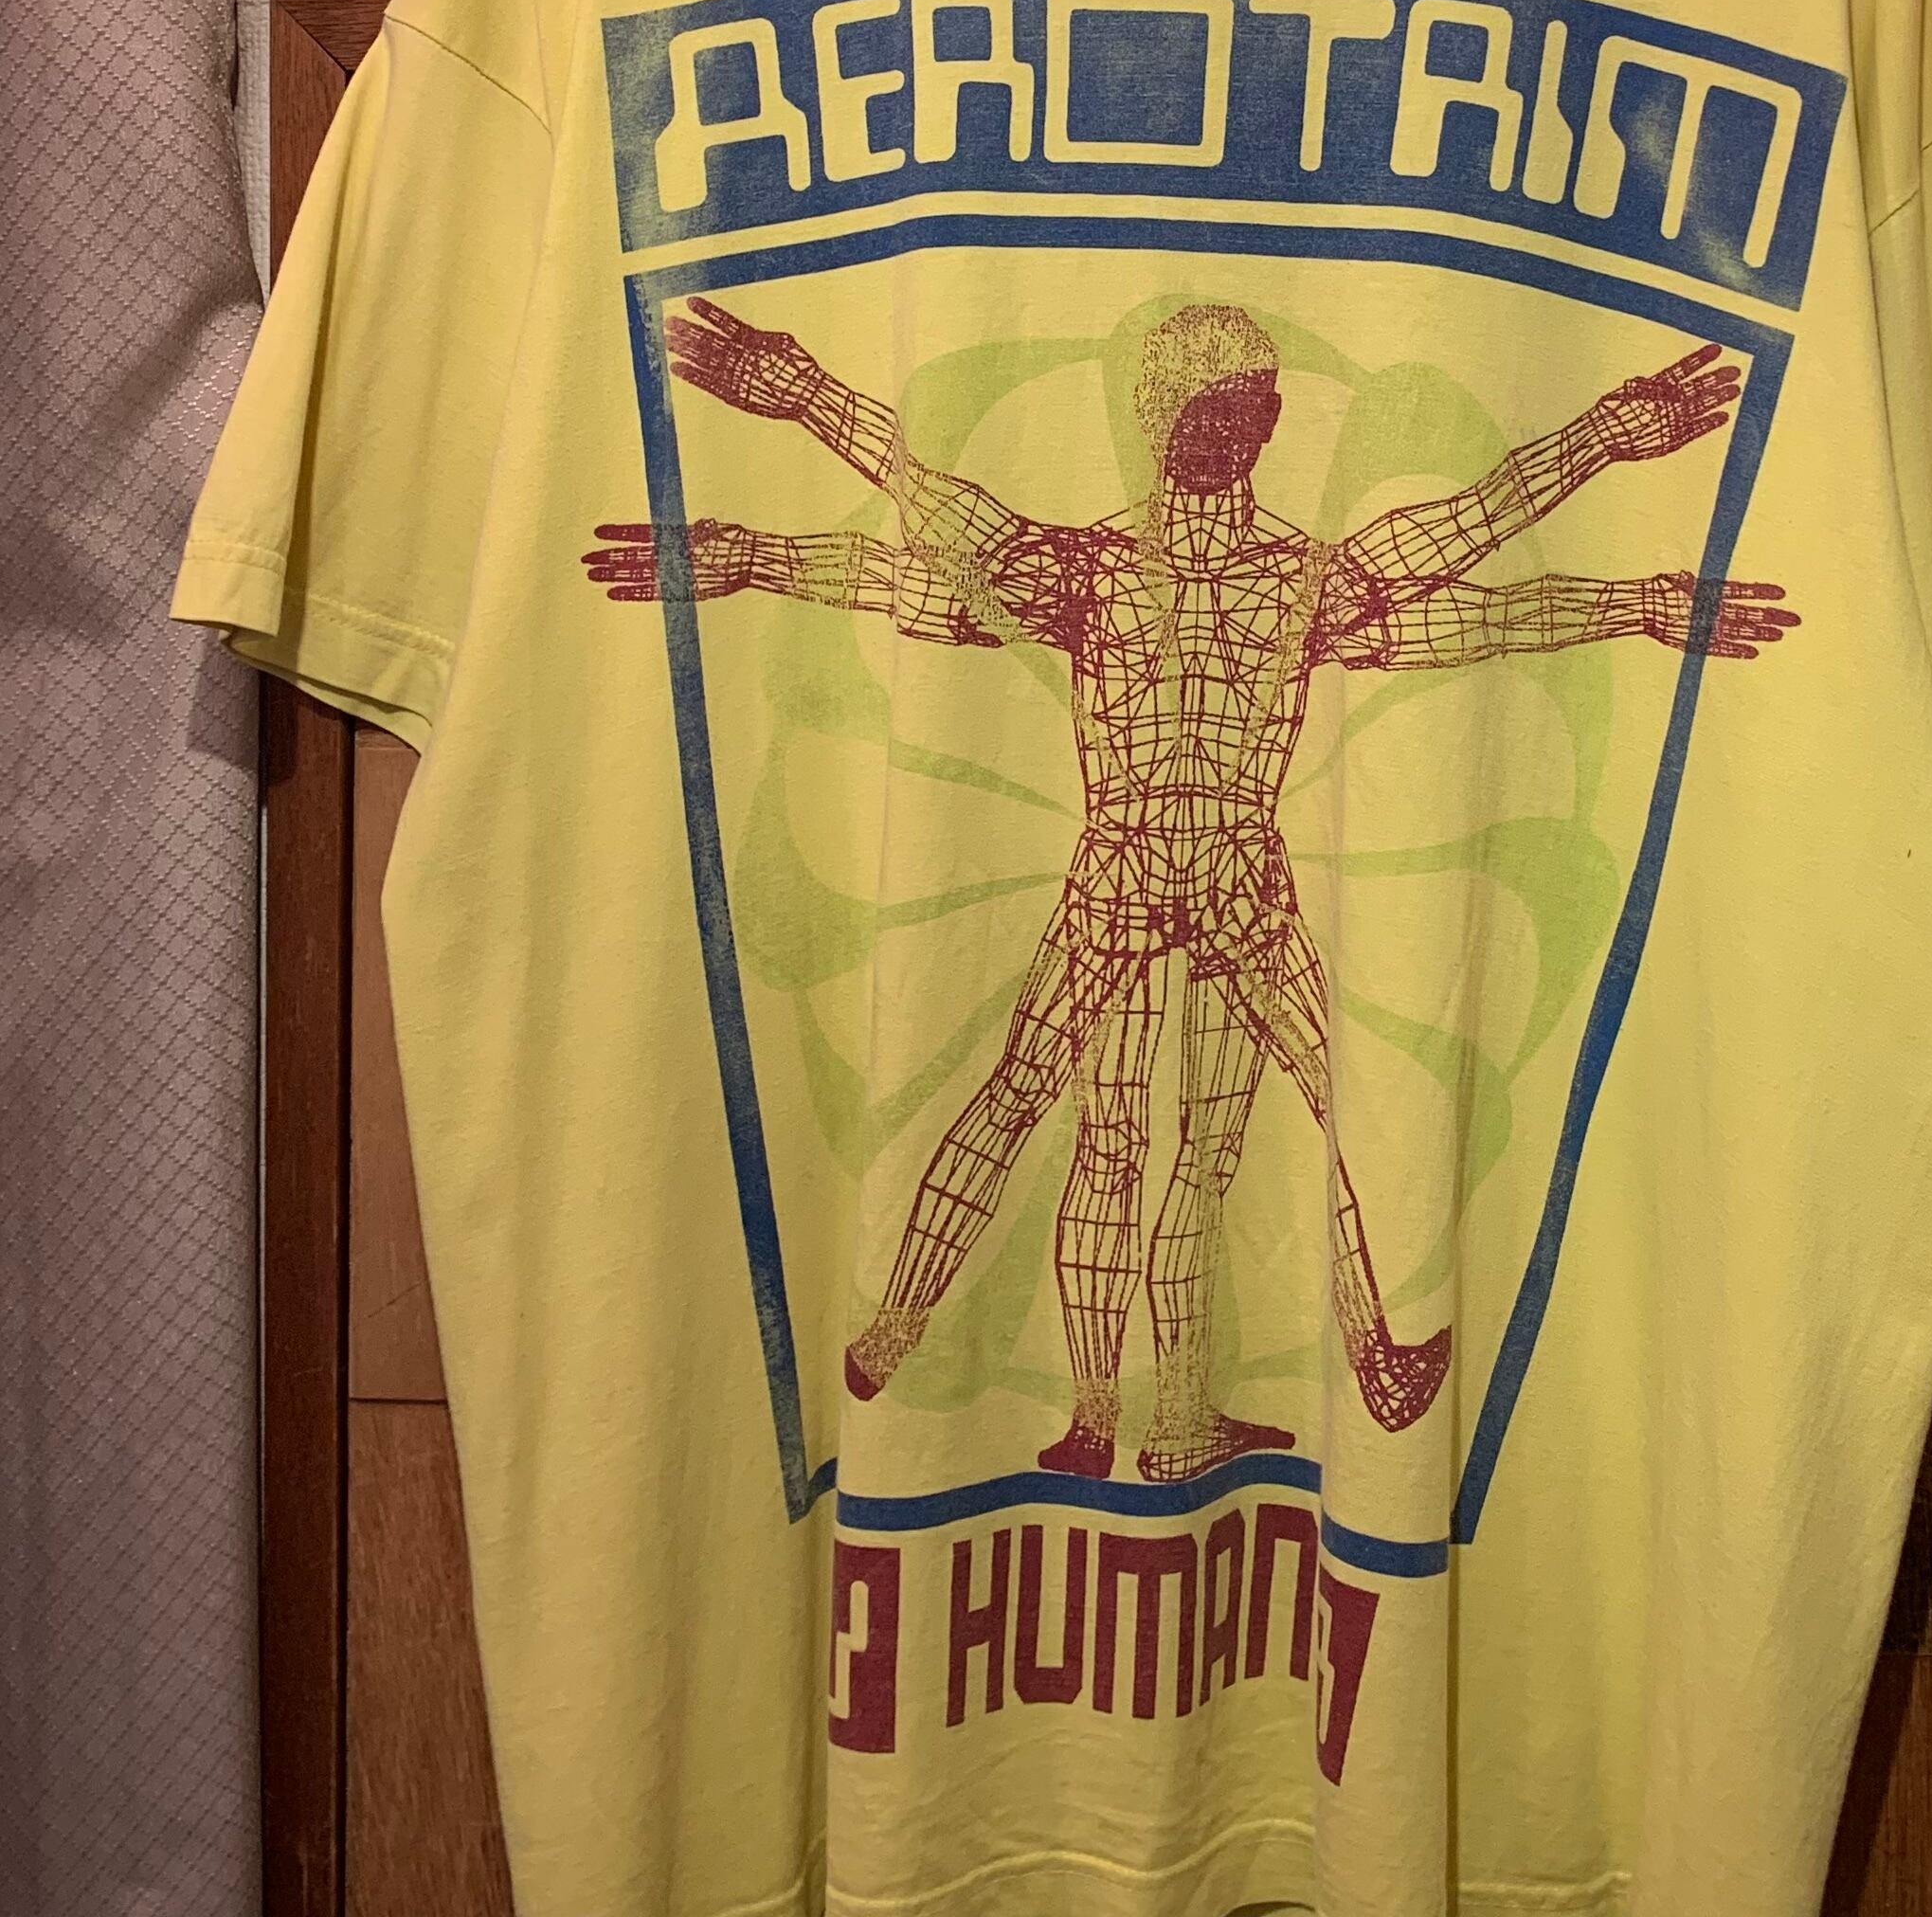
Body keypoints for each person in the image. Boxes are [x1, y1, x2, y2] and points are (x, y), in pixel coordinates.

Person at [586, 297, 1797, 1480]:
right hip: (1186, 871)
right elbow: (926, 547)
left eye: (1247, 408)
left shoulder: (1235, 579)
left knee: (1160, 1117)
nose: (1229, 429)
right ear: (1158, 414)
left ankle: (1102, 1375)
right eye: (1210, 407)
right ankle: (932, 1338)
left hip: (1198, 872)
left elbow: (1473, 580)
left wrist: (1630, 544)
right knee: (1131, 1113)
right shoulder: (1140, 574)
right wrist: (774, 471)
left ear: (1265, 421)